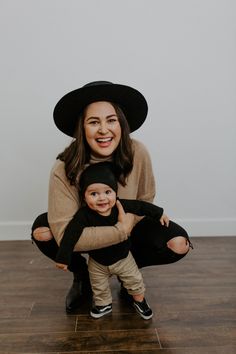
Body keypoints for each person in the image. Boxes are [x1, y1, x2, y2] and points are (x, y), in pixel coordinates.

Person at [31, 80, 192, 314]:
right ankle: (82, 276)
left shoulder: (138, 152)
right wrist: (119, 230)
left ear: (121, 124)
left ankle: (129, 274)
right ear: (81, 128)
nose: (104, 130)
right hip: (83, 228)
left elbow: (146, 197)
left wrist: (127, 229)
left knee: (178, 244)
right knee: (42, 233)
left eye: (111, 120)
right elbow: (65, 234)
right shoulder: (63, 167)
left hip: (129, 225)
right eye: (94, 122)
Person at [55, 161, 170, 319]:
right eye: (94, 194)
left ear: (115, 193)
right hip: (97, 262)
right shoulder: (83, 215)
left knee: (135, 281)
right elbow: (71, 234)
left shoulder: (120, 206)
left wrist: (159, 213)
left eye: (107, 192)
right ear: (84, 197)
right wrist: (63, 257)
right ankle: (104, 305)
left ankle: (140, 301)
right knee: (99, 286)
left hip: (123, 258)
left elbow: (141, 206)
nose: (102, 198)